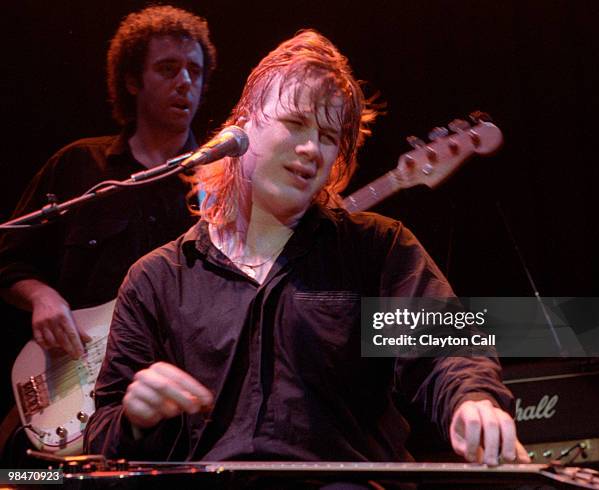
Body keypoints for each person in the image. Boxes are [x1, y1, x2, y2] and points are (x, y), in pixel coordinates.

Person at [84, 30, 529, 482]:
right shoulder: (157, 279)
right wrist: (135, 420)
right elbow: (102, 438)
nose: (312, 149)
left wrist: (473, 400)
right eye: (296, 124)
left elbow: (447, 351)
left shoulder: (376, 250)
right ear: (243, 126)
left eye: (329, 136)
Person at [0, 5, 216, 360]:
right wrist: (42, 295)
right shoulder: (79, 165)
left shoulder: (218, 181)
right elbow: (9, 261)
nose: (185, 82)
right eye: (168, 69)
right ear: (132, 81)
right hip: (79, 376)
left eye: (195, 71)